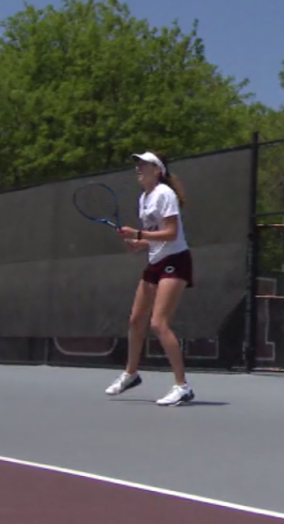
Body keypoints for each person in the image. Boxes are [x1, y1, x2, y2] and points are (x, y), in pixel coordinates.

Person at [103, 151, 196, 407]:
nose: (138, 168)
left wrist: (139, 232)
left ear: (158, 170)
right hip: (155, 262)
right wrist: (139, 243)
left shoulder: (165, 194)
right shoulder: (144, 197)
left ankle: (182, 386)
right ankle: (131, 374)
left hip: (175, 261)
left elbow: (171, 232)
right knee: (135, 320)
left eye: (143, 164)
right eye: (137, 164)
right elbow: (154, 236)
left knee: (158, 323)